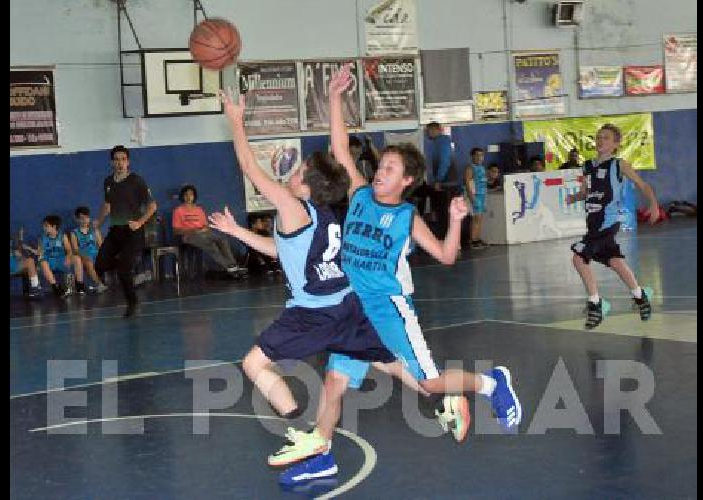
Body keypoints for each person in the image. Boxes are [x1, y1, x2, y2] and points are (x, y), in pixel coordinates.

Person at [276, 63, 523, 485]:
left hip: (389, 309)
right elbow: (339, 147)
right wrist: (335, 97)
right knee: (334, 382)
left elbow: (446, 257)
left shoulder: (406, 217)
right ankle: (323, 457)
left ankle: (491, 382)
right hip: (354, 310)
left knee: (428, 385)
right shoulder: (357, 194)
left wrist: (457, 219)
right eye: (380, 166)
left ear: (406, 181)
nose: (380, 173)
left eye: (389, 169)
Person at [214, 90, 429, 484]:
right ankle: (445, 396)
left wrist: (235, 119)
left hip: (313, 313)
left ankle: (300, 431)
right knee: (384, 362)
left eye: (298, 172)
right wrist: (235, 231)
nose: (292, 174)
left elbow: (248, 165)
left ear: (307, 185)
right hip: (347, 305)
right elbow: (281, 252)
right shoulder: (321, 213)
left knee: (253, 364)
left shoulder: (294, 207)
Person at [565, 124, 660, 329]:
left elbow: (643, 185)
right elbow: (585, 192)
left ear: (616, 144)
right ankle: (640, 296)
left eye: (606, 138)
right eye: (598, 137)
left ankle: (597, 304)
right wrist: (574, 197)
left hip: (607, 223)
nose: (601, 141)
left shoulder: (619, 165)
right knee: (615, 262)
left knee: (579, 258)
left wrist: (653, 205)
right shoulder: (588, 165)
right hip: (593, 222)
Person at [93, 145, 158, 317]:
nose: (120, 163)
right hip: (115, 231)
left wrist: (139, 222)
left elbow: (152, 206)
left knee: (123, 269)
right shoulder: (108, 181)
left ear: (128, 162)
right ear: (112, 162)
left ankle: (133, 302)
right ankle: (131, 270)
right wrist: (98, 222)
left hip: (133, 232)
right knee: (100, 264)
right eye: (117, 159)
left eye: (123, 159)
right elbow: (107, 206)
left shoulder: (137, 180)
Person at [171, 184, 247, 278]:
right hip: (189, 235)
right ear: (182, 196)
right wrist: (194, 231)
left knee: (222, 239)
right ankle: (229, 267)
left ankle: (234, 265)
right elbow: (176, 230)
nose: (188, 197)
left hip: (204, 233)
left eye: (191, 194)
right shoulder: (178, 210)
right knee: (210, 245)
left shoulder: (199, 209)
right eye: (186, 194)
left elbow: (206, 226)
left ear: (194, 196)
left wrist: (203, 230)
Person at [423, 121, 461, 238]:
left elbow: (444, 162)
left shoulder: (442, 142)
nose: (426, 134)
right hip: (446, 183)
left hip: (447, 184)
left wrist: (438, 180)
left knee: (445, 215)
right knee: (444, 215)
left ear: (435, 130)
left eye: (427, 131)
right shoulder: (438, 143)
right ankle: (449, 242)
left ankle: (449, 242)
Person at [37, 215, 85, 297]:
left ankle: (79, 284)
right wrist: (40, 258)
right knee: (43, 262)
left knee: (77, 258)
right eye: (44, 225)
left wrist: (68, 256)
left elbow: (69, 250)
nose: (44, 227)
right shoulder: (42, 238)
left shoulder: (62, 236)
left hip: (61, 260)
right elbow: (40, 253)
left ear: (54, 226)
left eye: (46, 226)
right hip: (49, 261)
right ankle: (56, 287)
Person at [69, 206, 107, 293]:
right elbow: (75, 249)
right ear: (77, 219)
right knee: (88, 261)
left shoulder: (94, 230)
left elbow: (101, 245)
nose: (85, 220)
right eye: (82, 218)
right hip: (84, 255)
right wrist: (84, 255)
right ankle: (99, 284)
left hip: (96, 254)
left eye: (86, 217)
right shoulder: (74, 233)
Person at [463, 147, 489, 249]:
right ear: (472, 156)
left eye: (481, 155)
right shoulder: (470, 168)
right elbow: (467, 183)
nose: (479, 157)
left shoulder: (482, 168)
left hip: (482, 196)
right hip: (475, 196)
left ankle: (477, 239)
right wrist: (471, 197)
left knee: (480, 218)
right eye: (477, 155)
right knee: (475, 218)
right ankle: (473, 240)